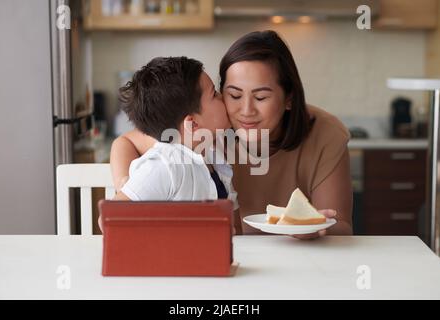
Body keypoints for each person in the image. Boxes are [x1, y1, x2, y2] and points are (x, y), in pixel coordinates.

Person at [110, 30, 353, 239]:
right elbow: (126, 142)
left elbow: (341, 225)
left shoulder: (324, 132)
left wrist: (315, 230)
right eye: (233, 95)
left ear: (289, 97)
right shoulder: (199, 135)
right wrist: (130, 187)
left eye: (261, 97)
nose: (245, 111)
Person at [99, 56, 240, 233]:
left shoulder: (213, 153)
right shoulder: (165, 165)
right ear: (193, 124)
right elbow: (110, 219)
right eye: (214, 94)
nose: (223, 97)